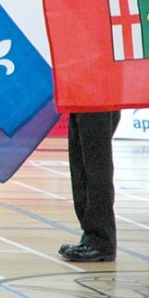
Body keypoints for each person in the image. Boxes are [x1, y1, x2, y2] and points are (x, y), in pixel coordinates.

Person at [58, 111, 121, 262]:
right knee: (81, 165)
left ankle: (101, 240)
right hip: (83, 96)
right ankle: (91, 236)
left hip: (97, 98)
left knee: (95, 166)